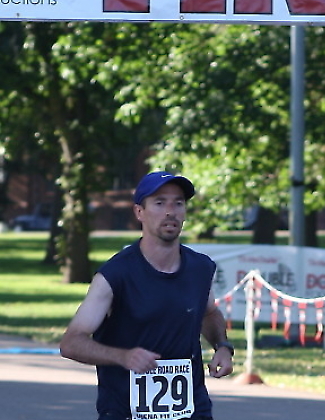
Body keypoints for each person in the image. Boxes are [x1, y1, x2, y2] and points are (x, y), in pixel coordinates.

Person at [60, 171, 234, 420]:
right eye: (160, 203)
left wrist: (222, 346)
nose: (170, 212)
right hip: (126, 412)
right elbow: (71, 343)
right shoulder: (115, 275)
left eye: (178, 203)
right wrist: (123, 356)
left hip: (191, 409)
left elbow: (209, 312)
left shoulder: (200, 268)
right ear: (139, 212)